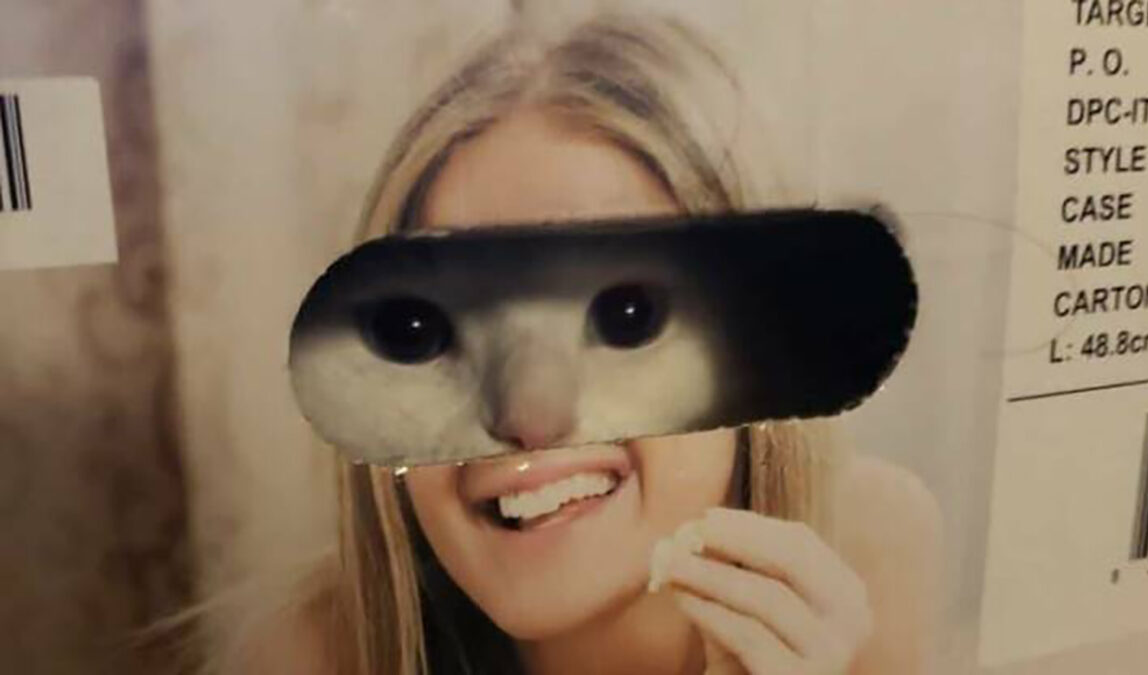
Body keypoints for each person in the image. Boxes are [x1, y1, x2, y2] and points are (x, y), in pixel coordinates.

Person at [236, 9, 942, 675]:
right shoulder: (311, 654)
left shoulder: (869, 546)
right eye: (425, 333)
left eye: (626, 316)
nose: (524, 415)